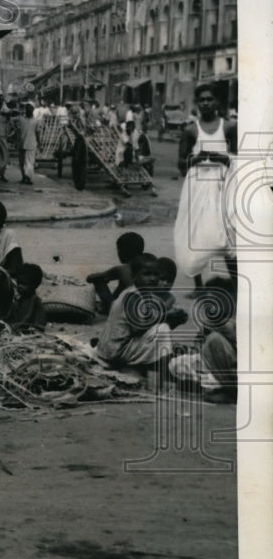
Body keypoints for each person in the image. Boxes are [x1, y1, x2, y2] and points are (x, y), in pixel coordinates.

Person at [174, 83, 238, 288]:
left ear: (218, 102)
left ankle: (237, 285)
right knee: (196, 230)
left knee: (228, 231)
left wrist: (223, 157)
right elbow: (181, 164)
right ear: (197, 103)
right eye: (202, 100)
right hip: (197, 186)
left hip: (223, 184)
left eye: (210, 99)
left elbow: (240, 158)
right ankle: (198, 286)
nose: (206, 103)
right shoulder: (191, 130)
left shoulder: (228, 127)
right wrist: (196, 159)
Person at [95, 253, 184, 371]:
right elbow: (138, 327)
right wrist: (166, 316)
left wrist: (172, 318)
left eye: (156, 274)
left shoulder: (141, 293)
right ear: (134, 277)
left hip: (113, 349)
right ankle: (163, 372)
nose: (152, 278)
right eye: (146, 274)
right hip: (114, 353)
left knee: (161, 329)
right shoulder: (132, 296)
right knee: (162, 330)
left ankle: (157, 366)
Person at [86, 231, 144, 314]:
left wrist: (104, 278)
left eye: (118, 250)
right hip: (144, 305)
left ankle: (107, 308)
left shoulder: (120, 269)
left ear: (123, 252)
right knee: (124, 285)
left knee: (98, 281)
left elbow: (90, 278)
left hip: (125, 310)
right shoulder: (147, 265)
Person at [7, 263, 47, 333]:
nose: (20, 286)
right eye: (18, 283)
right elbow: (10, 318)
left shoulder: (36, 303)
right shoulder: (18, 301)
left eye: (24, 284)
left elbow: (39, 326)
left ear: (34, 285)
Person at [17, 103, 39, 185]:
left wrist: (39, 142)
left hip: (29, 143)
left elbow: (37, 133)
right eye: (28, 109)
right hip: (25, 143)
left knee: (27, 162)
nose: (28, 111)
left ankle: (27, 177)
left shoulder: (34, 121)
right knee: (25, 162)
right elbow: (18, 131)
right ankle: (25, 177)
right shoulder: (22, 120)